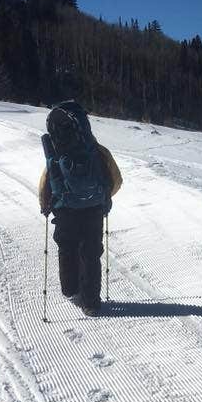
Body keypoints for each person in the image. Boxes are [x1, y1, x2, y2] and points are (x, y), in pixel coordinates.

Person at [39, 101, 122, 316]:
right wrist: (103, 198)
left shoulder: (56, 151)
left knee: (67, 247)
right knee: (91, 253)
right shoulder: (98, 151)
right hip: (93, 210)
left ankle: (70, 288)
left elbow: (45, 182)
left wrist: (45, 204)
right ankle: (91, 303)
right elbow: (116, 179)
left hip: (64, 210)